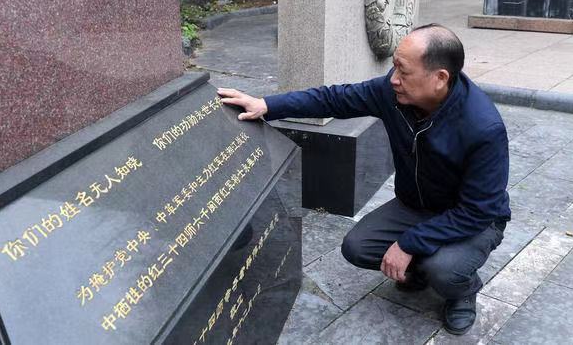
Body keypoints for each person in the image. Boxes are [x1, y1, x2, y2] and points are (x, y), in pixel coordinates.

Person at [217, 24, 510, 335]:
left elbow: (478, 211)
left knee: (445, 269)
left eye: (403, 71)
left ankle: (463, 291)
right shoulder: (392, 93)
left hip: (472, 220)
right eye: (394, 66)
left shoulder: (483, 128)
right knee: (357, 247)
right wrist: (267, 105)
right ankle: (420, 268)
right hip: (416, 206)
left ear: (439, 78)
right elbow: (334, 99)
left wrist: (408, 243)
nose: (393, 78)